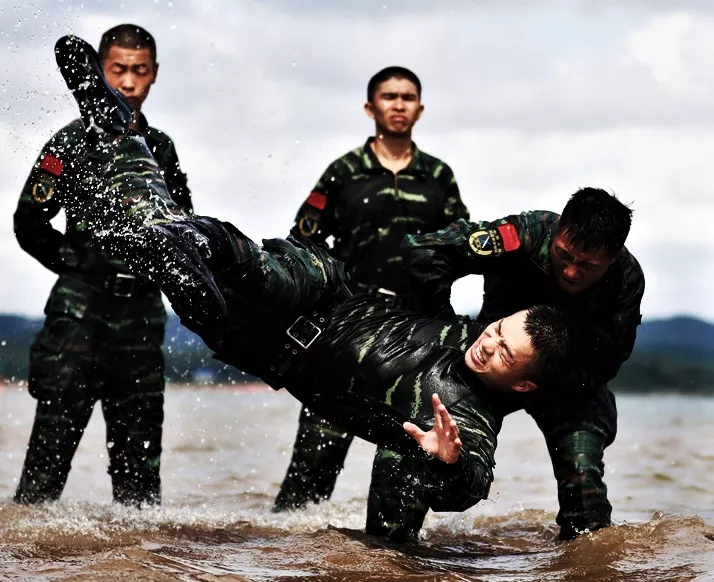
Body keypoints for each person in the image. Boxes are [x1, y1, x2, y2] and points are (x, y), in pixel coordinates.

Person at [46, 34, 574, 526]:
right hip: (328, 291)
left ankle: (123, 155)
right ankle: (187, 237)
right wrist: (423, 303)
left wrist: (449, 462)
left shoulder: (466, 416)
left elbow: (472, 479)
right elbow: (428, 253)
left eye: (505, 353)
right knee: (242, 259)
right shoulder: (348, 176)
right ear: (371, 106)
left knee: (185, 277)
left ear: (523, 385)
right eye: (497, 331)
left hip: (277, 352)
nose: (489, 344)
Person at [379, 189, 645, 540]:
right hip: (487, 366)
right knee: (418, 444)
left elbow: (607, 361)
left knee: (584, 486)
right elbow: (426, 251)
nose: (570, 271)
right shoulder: (525, 234)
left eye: (587, 266)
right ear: (558, 231)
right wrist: (449, 332)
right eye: (563, 255)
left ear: (612, 258)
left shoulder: (626, 280)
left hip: (566, 386)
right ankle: (388, 549)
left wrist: (545, 380)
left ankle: (584, 557)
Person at [13, 26, 192, 507]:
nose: (129, 82)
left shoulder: (161, 147)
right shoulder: (72, 141)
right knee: (43, 477)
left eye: (140, 70)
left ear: (154, 73)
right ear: (99, 71)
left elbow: (182, 227)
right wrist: (78, 266)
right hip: (78, 319)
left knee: (140, 492)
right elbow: (29, 222)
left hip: (141, 323)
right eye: (118, 70)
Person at [277, 66, 470, 513]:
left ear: (419, 109)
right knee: (317, 453)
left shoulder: (438, 176)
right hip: (350, 326)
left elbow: (461, 246)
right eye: (389, 97)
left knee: (411, 449)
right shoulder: (344, 173)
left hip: (417, 334)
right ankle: (290, 540)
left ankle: (393, 545)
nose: (398, 105)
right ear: (371, 107)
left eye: (407, 97)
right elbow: (301, 242)